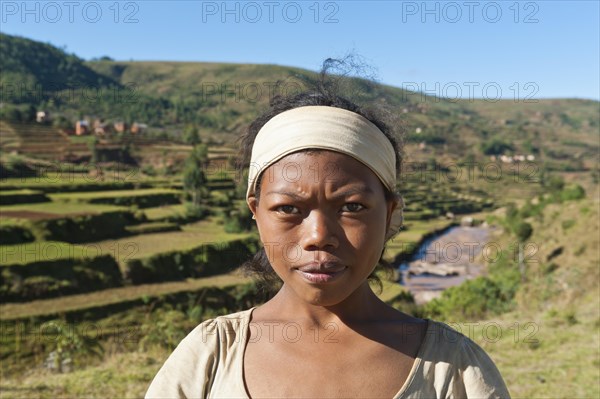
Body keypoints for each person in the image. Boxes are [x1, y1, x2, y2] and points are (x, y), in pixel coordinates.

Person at [145, 67, 511, 399]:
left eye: (351, 207)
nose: (318, 235)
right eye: (289, 209)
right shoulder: (210, 355)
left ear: (391, 215)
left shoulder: (455, 369)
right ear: (256, 213)